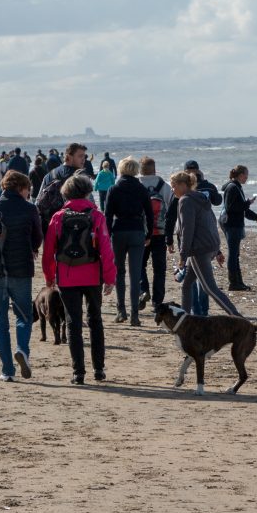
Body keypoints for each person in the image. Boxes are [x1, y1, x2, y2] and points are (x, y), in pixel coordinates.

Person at [42, 174, 116, 385]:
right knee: (95, 321)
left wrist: (49, 277)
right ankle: (99, 369)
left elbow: (49, 252)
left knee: (73, 323)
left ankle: (78, 372)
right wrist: (110, 278)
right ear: (87, 191)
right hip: (93, 275)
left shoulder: (58, 217)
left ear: (66, 193)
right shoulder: (97, 216)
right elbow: (106, 250)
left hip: (67, 277)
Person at [0, 171, 42, 382]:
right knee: (24, 317)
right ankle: (22, 350)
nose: (29, 194)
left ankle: (7, 371)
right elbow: (38, 238)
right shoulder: (30, 208)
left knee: (0, 321)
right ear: (21, 188)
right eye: (28, 190)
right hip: (21, 271)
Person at [171, 171, 241, 317]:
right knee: (187, 285)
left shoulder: (186, 200)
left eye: (174, 186)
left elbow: (187, 229)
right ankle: (185, 319)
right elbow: (211, 224)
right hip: (208, 246)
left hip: (198, 249)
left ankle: (237, 317)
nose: (172, 189)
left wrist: (183, 255)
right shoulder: (200, 197)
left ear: (183, 185)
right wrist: (217, 250)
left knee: (209, 288)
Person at [104, 157, 153, 325]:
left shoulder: (114, 189)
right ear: (136, 170)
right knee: (135, 274)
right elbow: (149, 213)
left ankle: (121, 311)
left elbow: (108, 215)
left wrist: (107, 235)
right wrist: (149, 235)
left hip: (119, 231)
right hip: (137, 230)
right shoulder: (141, 189)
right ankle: (134, 315)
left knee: (119, 272)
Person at [221, 165, 257, 291]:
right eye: (246, 175)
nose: (247, 177)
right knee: (233, 254)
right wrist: (247, 203)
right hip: (232, 225)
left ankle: (238, 282)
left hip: (234, 225)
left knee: (235, 254)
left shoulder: (236, 187)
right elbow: (231, 208)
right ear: (240, 175)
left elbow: (242, 209)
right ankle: (234, 283)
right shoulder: (232, 187)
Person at [138, 157, 174, 312]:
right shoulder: (164, 186)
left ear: (139, 169)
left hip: (141, 232)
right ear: (154, 168)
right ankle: (157, 302)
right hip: (160, 232)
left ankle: (143, 290)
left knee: (140, 264)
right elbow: (172, 210)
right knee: (159, 268)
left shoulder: (136, 185)